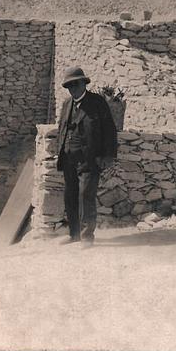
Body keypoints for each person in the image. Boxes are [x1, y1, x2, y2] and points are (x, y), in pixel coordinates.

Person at [56, 67, 117, 245]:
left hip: (89, 159)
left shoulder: (97, 103)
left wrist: (107, 156)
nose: (72, 88)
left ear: (84, 83)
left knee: (86, 196)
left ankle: (86, 236)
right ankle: (73, 234)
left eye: (75, 84)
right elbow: (62, 129)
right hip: (69, 159)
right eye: (69, 86)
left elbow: (110, 131)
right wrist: (60, 150)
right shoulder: (67, 104)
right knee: (70, 195)